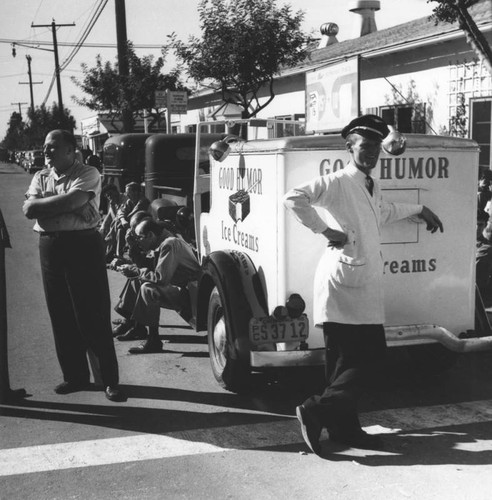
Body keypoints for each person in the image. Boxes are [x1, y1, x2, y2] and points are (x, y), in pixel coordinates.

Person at [283, 115, 443, 454]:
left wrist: (419, 208)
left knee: (344, 364)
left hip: (360, 282)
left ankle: (344, 430)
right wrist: (326, 231)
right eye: (365, 146)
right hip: (343, 282)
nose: (371, 153)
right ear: (350, 147)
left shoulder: (371, 184)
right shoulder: (338, 181)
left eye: (375, 148)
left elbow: (382, 212)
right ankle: (314, 409)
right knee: (371, 359)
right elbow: (293, 197)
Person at [22, 129, 125, 402]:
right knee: (61, 313)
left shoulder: (88, 173)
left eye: (53, 147)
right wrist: (67, 205)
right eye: (45, 146)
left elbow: (75, 199)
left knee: (92, 313)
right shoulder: (40, 176)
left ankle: (108, 381)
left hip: (82, 246)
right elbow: (30, 210)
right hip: (50, 246)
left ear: (71, 150)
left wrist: (52, 203)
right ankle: (75, 376)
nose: (47, 151)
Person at [113, 218, 200, 354]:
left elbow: (161, 278)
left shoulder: (169, 244)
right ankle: (136, 326)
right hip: (181, 288)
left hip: (190, 296)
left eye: (139, 238)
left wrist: (135, 270)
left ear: (151, 235)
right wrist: (134, 264)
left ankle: (153, 340)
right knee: (137, 280)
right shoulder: (161, 243)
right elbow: (147, 267)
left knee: (147, 289)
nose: (138, 241)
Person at [114, 182, 151, 258]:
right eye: (126, 193)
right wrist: (123, 220)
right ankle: (118, 254)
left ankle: (119, 254)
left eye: (129, 193)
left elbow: (132, 215)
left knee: (119, 225)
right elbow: (121, 211)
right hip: (132, 224)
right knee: (119, 226)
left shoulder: (143, 201)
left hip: (141, 225)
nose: (127, 195)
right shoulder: (129, 201)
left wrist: (123, 219)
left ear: (136, 192)